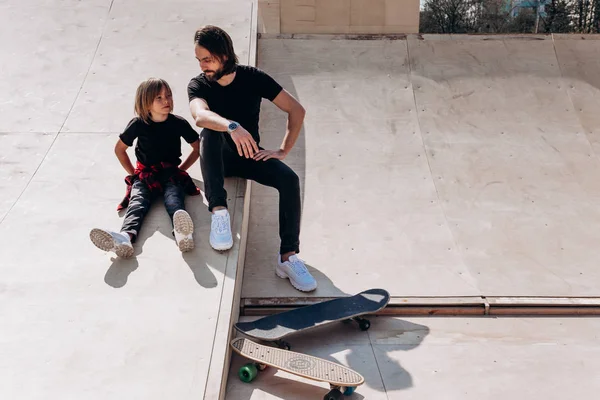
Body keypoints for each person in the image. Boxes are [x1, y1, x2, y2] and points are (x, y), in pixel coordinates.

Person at [188, 25, 317, 292]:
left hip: (249, 156)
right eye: (199, 60)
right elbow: (200, 115)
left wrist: (282, 150)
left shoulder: (253, 78)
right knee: (209, 133)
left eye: (207, 59)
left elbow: (296, 110)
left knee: (290, 180)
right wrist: (232, 126)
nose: (203, 66)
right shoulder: (199, 84)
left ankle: (287, 257)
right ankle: (219, 212)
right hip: (217, 159)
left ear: (224, 56)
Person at [90, 77, 200, 258]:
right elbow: (120, 149)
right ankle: (125, 237)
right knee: (137, 203)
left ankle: (182, 234)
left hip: (170, 173)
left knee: (174, 200)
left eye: (169, 96)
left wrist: (182, 169)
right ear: (146, 102)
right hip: (145, 175)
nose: (166, 101)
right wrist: (133, 173)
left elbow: (198, 147)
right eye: (159, 98)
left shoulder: (178, 123)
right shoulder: (138, 124)